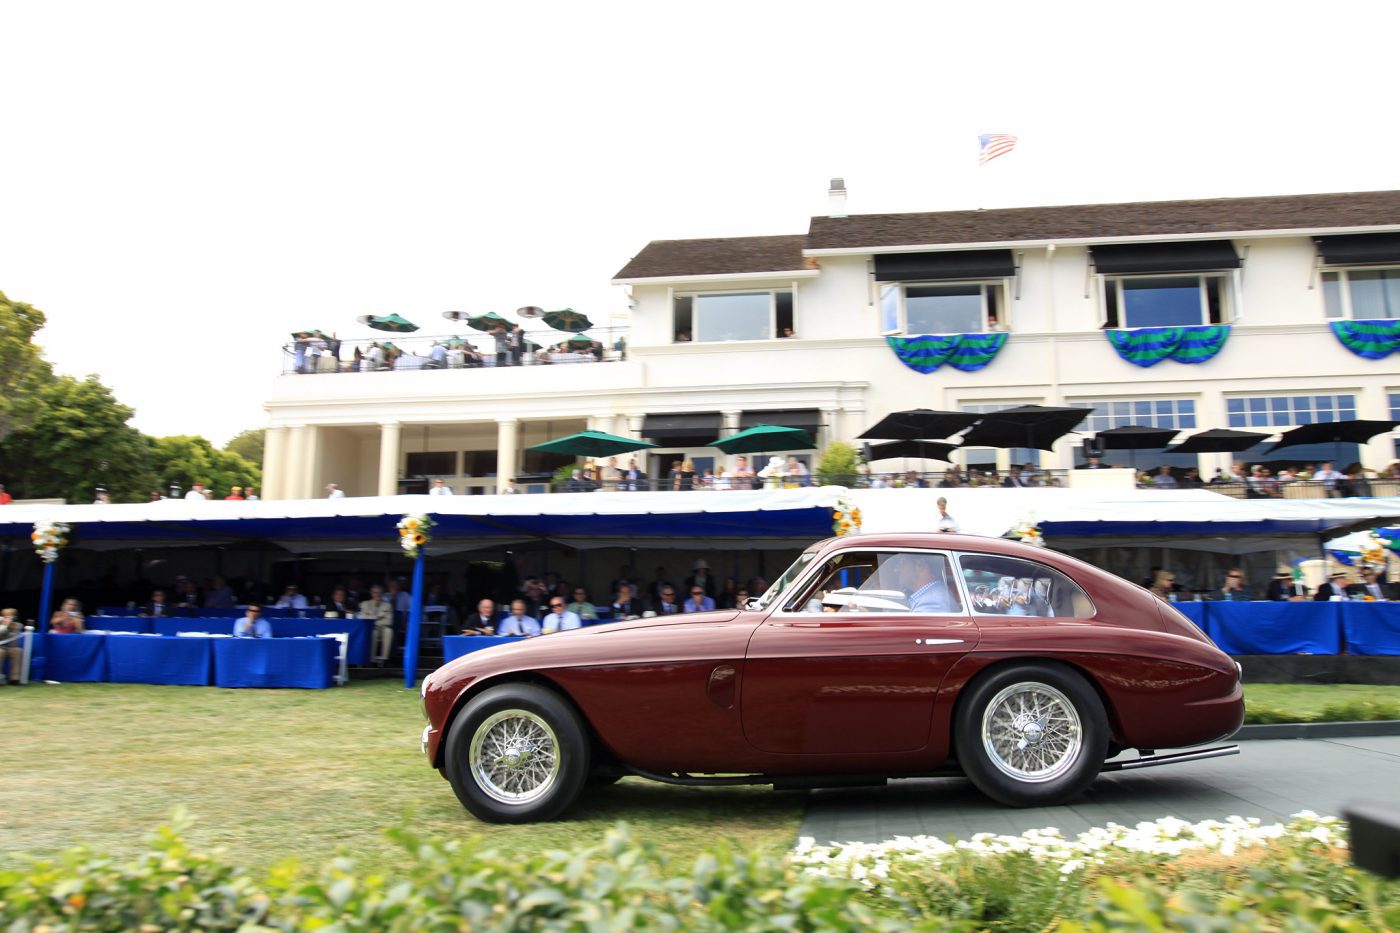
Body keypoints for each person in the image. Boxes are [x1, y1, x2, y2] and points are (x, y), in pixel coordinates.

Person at [358, 584, 394, 663]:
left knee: (389, 631)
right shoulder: (364, 604)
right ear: (371, 593)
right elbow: (362, 618)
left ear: (383, 593)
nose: (377, 594)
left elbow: (389, 621)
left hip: (382, 629)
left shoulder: (388, 605)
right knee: (374, 632)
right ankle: (371, 659)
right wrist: (379, 618)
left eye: (379, 592)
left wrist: (373, 620)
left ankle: (385, 659)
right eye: (375, 592)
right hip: (370, 629)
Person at [1, 608, 26, 684]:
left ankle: (15, 678)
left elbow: (13, 642)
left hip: (10, 648)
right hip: (1, 647)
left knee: (18, 651)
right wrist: (5, 626)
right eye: (5, 616)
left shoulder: (17, 625)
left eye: (9, 616)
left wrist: (11, 627)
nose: (7, 618)